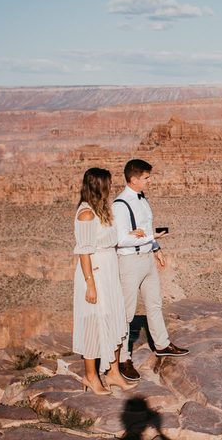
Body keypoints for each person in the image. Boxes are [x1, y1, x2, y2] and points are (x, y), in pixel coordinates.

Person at [114, 159, 189, 382]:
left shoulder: (142, 199)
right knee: (126, 313)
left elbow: (143, 230)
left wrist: (156, 248)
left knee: (154, 303)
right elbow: (120, 239)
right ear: (134, 179)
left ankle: (163, 344)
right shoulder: (120, 205)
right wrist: (151, 238)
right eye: (147, 177)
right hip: (129, 262)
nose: (150, 181)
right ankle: (122, 359)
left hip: (146, 257)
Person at [71, 167, 135, 394]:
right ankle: (90, 376)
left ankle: (113, 373)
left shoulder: (102, 210)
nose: (111, 187)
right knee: (93, 324)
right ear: (98, 186)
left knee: (115, 319)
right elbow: (84, 252)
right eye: (108, 183)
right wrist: (90, 284)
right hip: (95, 274)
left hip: (109, 272)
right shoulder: (86, 213)